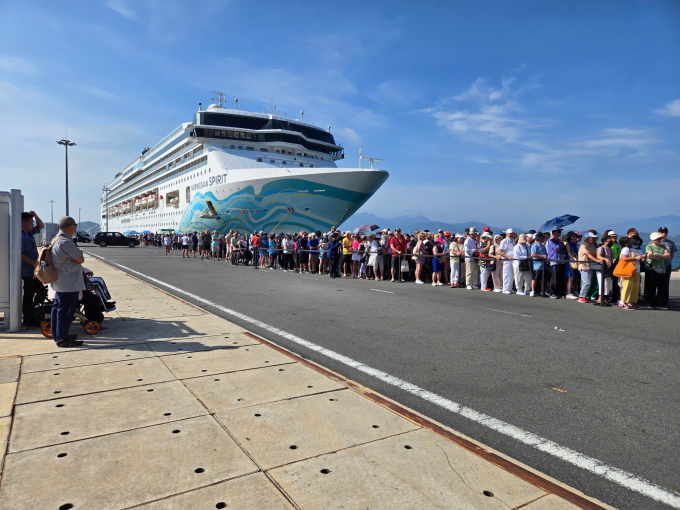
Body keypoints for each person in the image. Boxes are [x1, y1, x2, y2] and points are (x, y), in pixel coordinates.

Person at [50, 217, 85, 347]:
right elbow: (80, 259)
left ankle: (58, 334)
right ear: (71, 226)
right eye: (75, 225)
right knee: (66, 311)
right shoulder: (66, 242)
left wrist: (76, 256)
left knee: (58, 309)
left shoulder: (56, 239)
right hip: (69, 282)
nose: (76, 228)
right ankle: (62, 339)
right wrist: (78, 255)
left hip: (61, 281)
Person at [20, 211, 45, 327]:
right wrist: (35, 264)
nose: (32, 224)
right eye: (30, 222)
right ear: (23, 223)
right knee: (41, 292)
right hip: (28, 272)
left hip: (33, 271)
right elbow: (21, 256)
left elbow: (41, 226)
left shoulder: (29, 233)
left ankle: (29, 318)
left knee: (29, 295)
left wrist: (35, 215)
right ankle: (34, 315)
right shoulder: (21, 236)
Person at [578, 232, 609, 303]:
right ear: (588, 238)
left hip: (590, 266)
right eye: (593, 238)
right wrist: (597, 260)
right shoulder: (583, 246)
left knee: (589, 282)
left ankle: (585, 296)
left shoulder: (592, 246)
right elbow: (588, 254)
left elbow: (595, 254)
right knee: (586, 282)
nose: (594, 239)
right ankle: (581, 296)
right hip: (584, 266)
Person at [644, 232, 671, 309]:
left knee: (662, 286)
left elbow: (668, 255)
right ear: (653, 240)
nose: (660, 240)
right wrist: (662, 256)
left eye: (660, 238)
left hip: (661, 268)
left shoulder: (663, 246)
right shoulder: (649, 246)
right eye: (658, 238)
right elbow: (651, 256)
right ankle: (650, 303)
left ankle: (662, 302)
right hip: (651, 268)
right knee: (651, 286)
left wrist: (658, 255)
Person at [618, 236, 645, 310]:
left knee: (635, 287)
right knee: (627, 286)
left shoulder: (638, 250)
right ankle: (624, 302)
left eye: (638, 243)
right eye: (636, 243)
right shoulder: (626, 249)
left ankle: (632, 302)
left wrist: (643, 258)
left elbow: (641, 260)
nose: (637, 244)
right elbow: (623, 258)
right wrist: (636, 258)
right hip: (628, 270)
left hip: (637, 270)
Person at [657, 227, 676, 308]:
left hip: (666, 266)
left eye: (665, 232)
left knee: (665, 284)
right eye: (662, 232)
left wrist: (666, 260)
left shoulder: (670, 243)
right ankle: (655, 300)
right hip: (656, 266)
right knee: (655, 283)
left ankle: (664, 301)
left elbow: (672, 255)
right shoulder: (655, 242)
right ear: (658, 232)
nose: (664, 233)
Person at [595, 233, 615, 305]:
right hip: (601, 268)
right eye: (608, 241)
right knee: (601, 283)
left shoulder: (612, 250)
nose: (609, 243)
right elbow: (598, 256)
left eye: (611, 241)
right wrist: (605, 259)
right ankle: (600, 298)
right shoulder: (601, 248)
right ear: (604, 241)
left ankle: (604, 297)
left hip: (608, 268)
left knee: (607, 283)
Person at [547, 229, 567, 299]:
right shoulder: (550, 241)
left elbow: (563, 250)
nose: (560, 233)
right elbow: (556, 248)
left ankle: (558, 292)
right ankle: (552, 292)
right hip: (554, 260)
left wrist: (560, 247)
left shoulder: (558, 241)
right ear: (553, 232)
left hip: (561, 260)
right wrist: (561, 242)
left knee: (560, 277)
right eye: (558, 232)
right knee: (554, 277)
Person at [499, 229, 516, 294]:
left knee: (512, 274)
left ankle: (509, 288)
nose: (511, 235)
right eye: (510, 233)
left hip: (512, 260)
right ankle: (505, 288)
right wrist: (507, 256)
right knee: (507, 274)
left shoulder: (513, 240)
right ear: (507, 234)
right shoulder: (504, 241)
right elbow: (500, 252)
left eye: (512, 233)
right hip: (507, 260)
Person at [564, 231, 579, 299]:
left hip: (576, 259)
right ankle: (568, 292)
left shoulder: (574, 244)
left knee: (575, 277)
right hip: (570, 260)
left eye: (574, 235)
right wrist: (574, 258)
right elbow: (569, 253)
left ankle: (574, 290)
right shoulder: (568, 244)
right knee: (570, 277)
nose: (573, 236)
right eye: (572, 235)